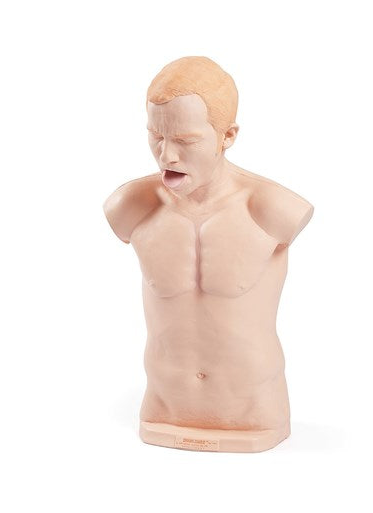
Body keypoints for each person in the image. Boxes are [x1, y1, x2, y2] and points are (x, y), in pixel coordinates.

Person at [103, 56, 313, 452]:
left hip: (254, 413)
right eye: (156, 136)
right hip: (163, 412)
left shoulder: (273, 209)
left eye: (185, 141)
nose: (166, 155)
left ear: (227, 135)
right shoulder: (131, 206)